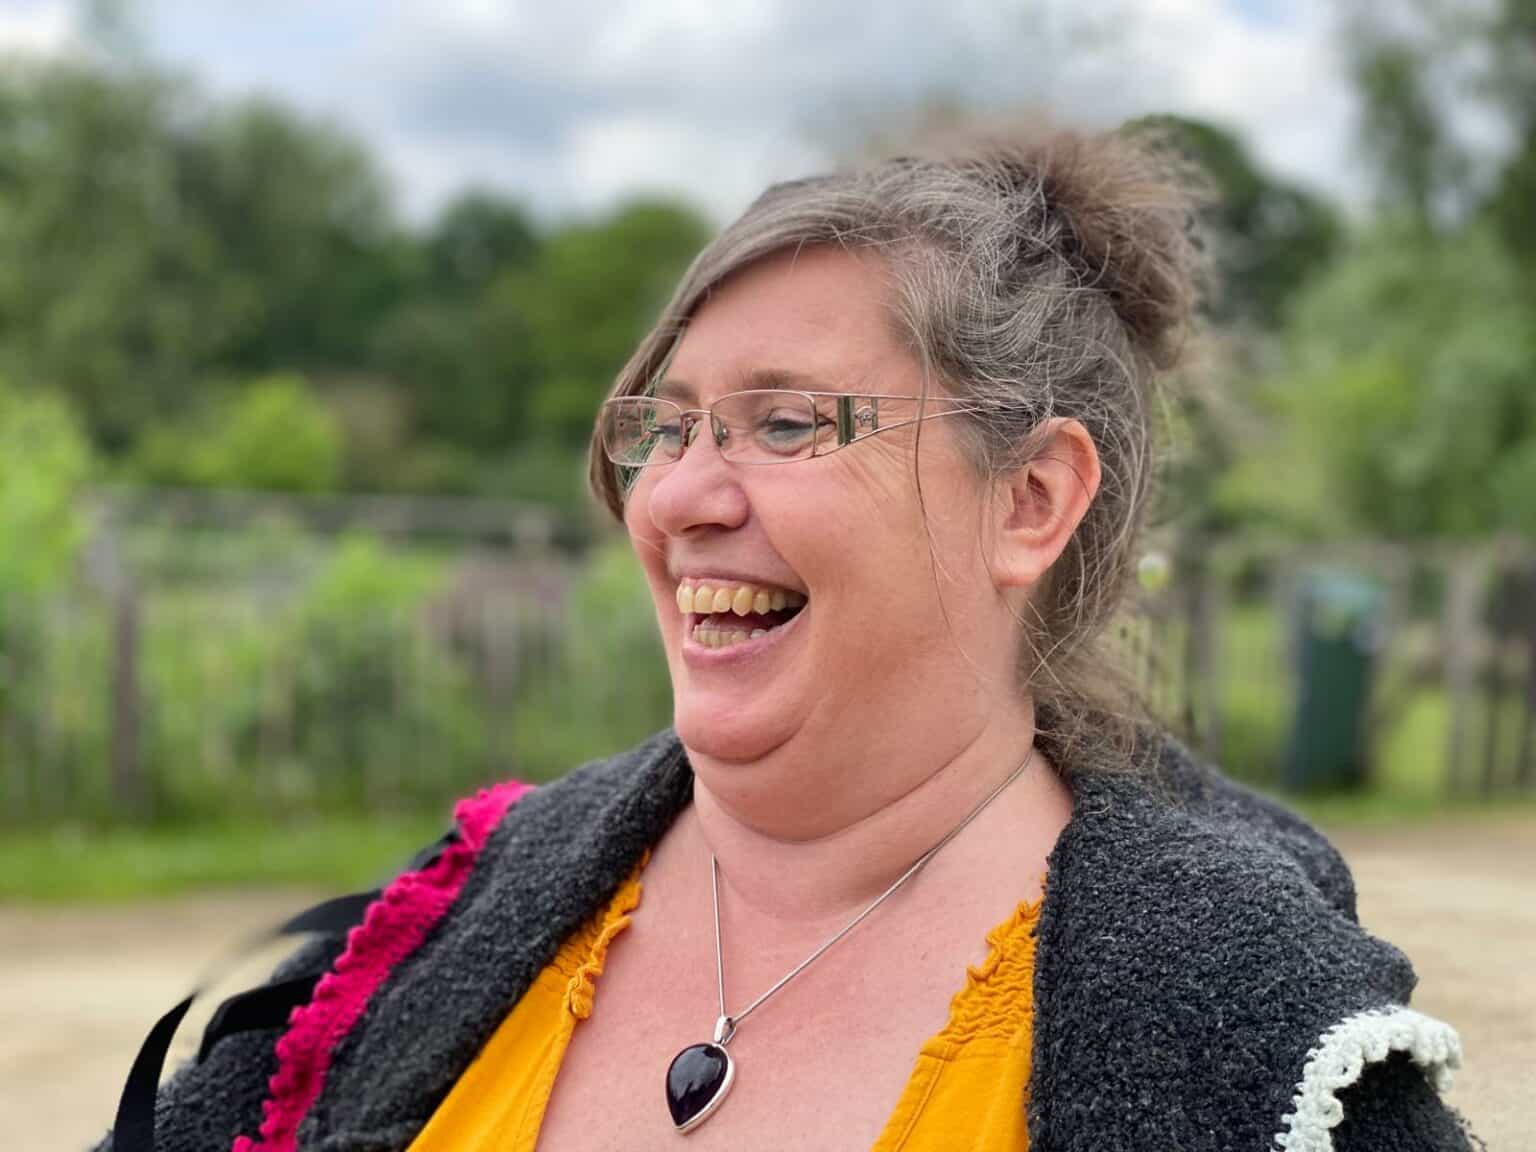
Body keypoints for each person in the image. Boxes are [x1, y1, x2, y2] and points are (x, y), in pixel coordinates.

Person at [97, 125, 1478, 1152]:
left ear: (1032, 500)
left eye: (788, 422)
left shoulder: (1239, 1025)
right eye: (668, 427)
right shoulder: (472, 909)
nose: (679, 499)